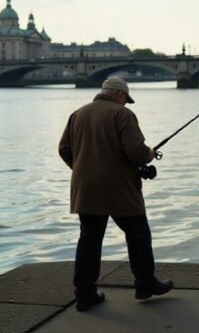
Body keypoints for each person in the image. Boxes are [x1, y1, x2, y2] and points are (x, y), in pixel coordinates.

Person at [58, 76, 173, 312]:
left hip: (86, 190)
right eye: (126, 100)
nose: (126, 104)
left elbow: (64, 149)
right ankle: (145, 284)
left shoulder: (77, 114)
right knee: (138, 234)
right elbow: (136, 152)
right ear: (120, 95)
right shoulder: (122, 115)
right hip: (120, 190)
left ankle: (84, 295)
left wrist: (83, 170)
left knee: (89, 240)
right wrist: (150, 154)